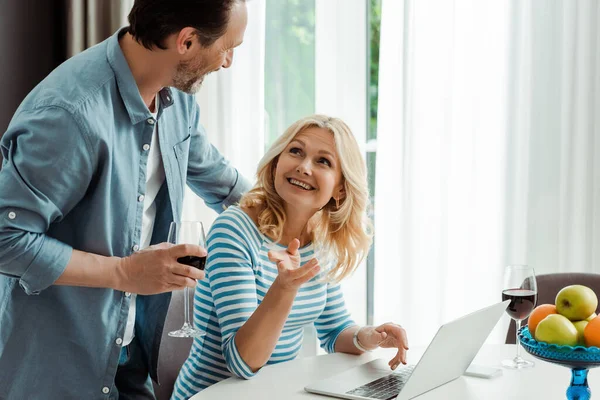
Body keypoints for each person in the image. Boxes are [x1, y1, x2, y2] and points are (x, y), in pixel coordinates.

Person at [0, 1, 251, 399]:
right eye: (226, 48)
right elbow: (6, 239)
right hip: (56, 367)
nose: (228, 62)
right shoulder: (70, 114)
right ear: (186, 41)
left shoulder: (176, 98)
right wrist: (124, 274)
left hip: (132, 355)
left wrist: (304, 216)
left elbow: (220, 181)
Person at [172, 115, 409, 399]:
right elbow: (243, 362)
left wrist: (369, 337)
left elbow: (335, 330)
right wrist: (284, 288)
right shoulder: (234, 230)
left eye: (323, 161)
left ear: (340, 188)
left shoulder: (319, 240)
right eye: (295, 151)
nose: (304, 167)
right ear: (276, 162)